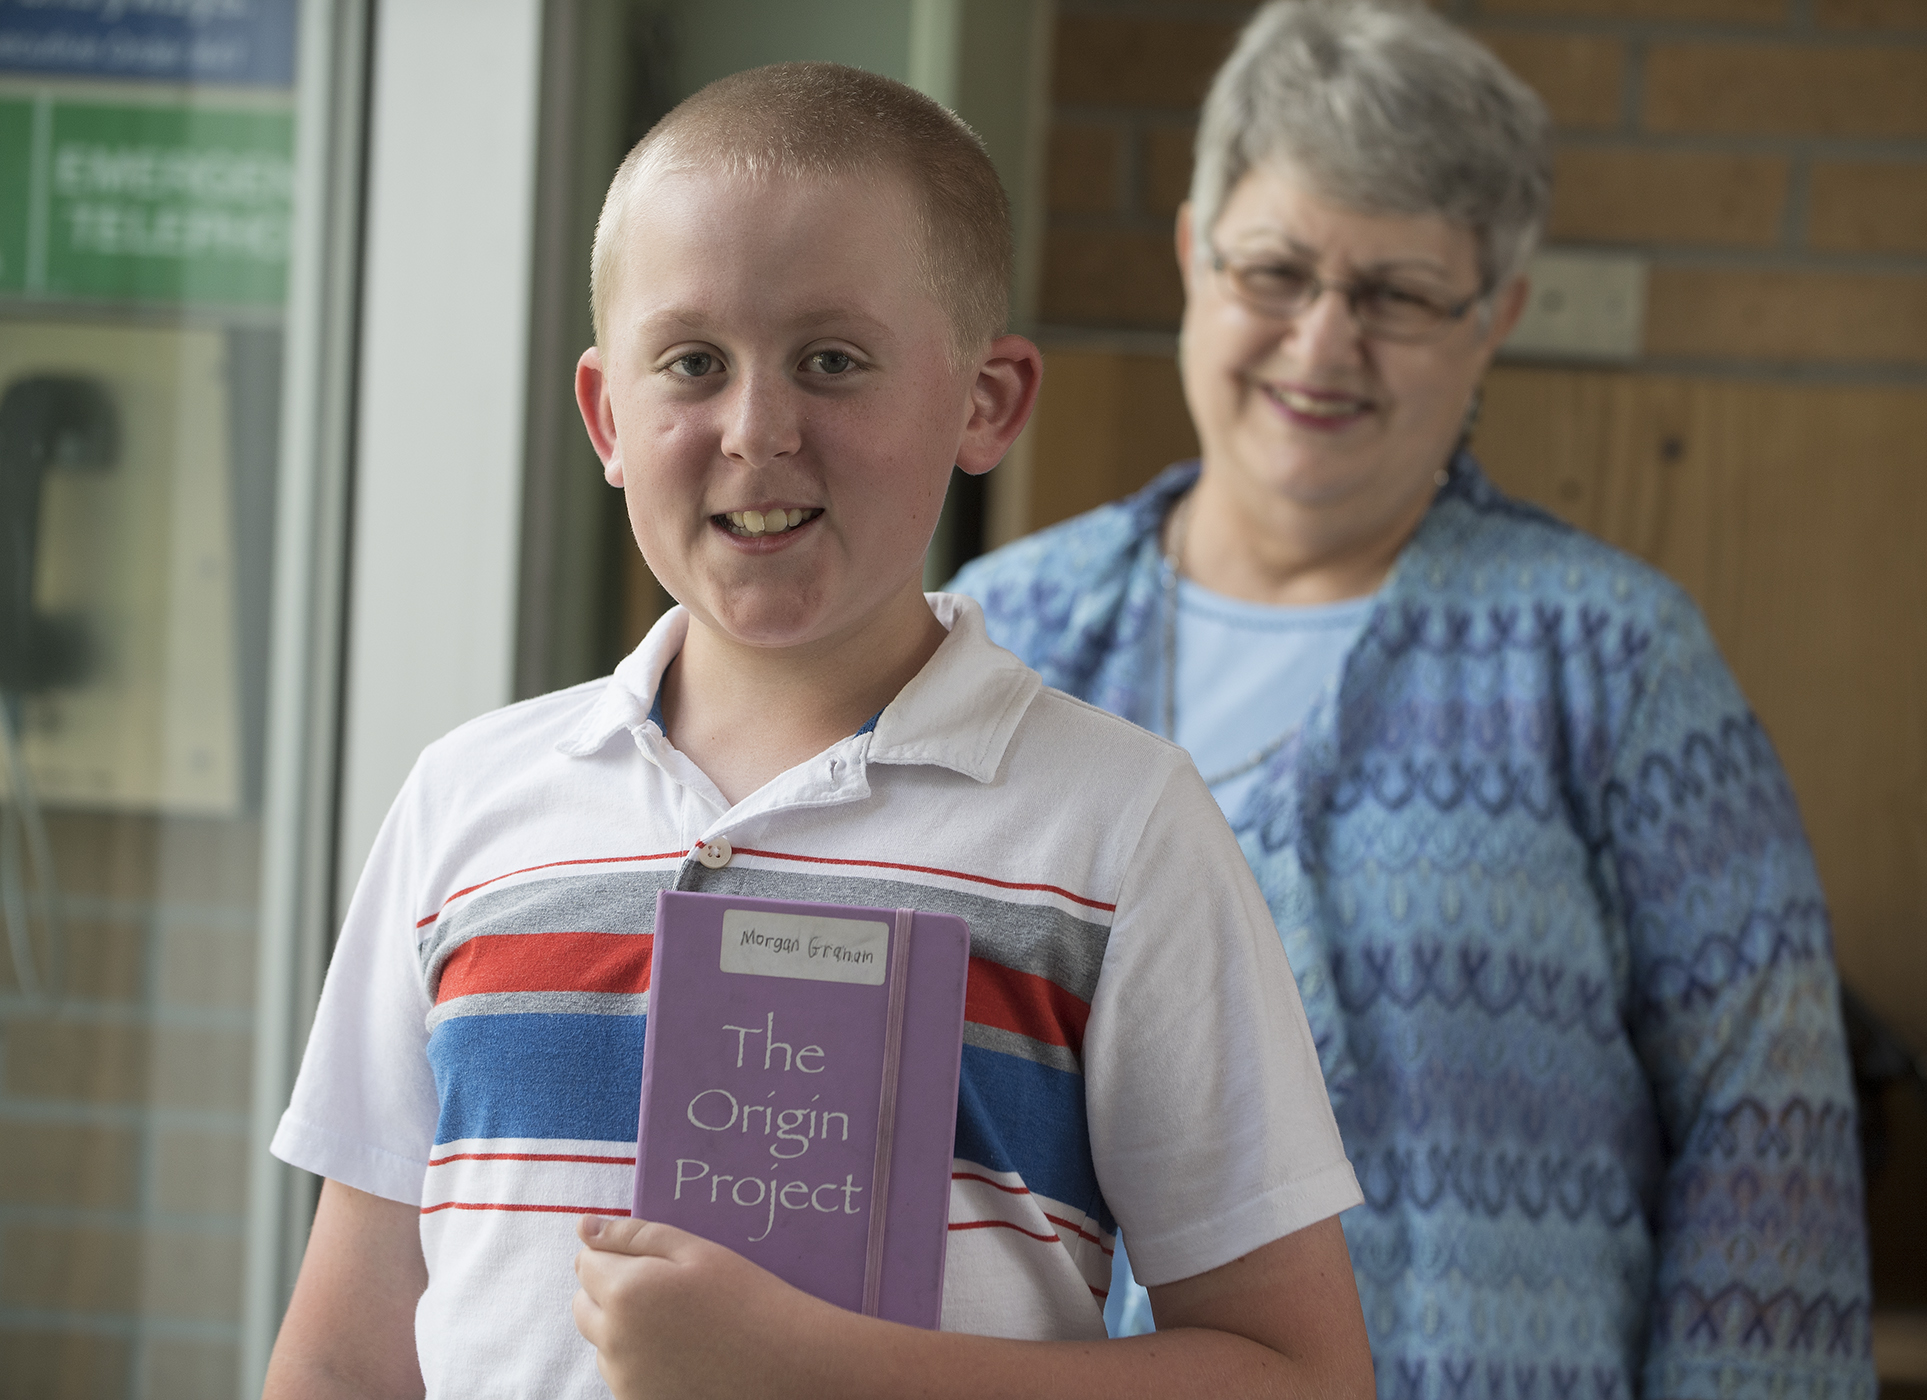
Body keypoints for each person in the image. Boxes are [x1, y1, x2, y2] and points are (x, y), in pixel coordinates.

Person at [260, 62, 1372, 1400]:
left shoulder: (1119, 829)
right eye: (691, 363)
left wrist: (819, 1369)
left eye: (831, 362)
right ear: (609, 416)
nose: (757, 429)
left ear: (987, 404)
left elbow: (1298, 1374)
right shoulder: (466, 807)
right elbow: (340, 1357)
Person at [950, 3, 1875, 1398]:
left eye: (1398, 294)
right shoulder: (999, 639)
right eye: (1277, 271)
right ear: (1195, 250)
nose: (1324, 344)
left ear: (1496, 313)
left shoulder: (1614, 662)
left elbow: (1771, 1139)